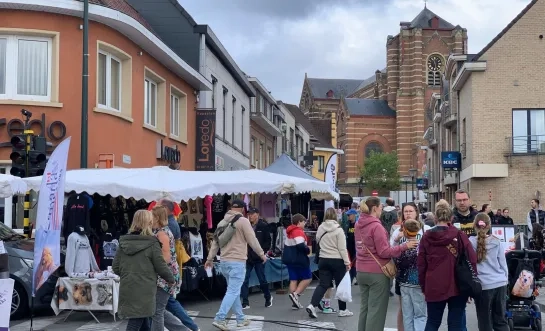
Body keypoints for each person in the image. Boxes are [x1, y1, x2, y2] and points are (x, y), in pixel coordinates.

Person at [356, 197, 417, 331]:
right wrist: (404, 246)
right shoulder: (376, 226)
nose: (381, 210)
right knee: (376, 311)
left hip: (361, 269)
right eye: (380, 207)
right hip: (377, 272)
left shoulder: (358, 223)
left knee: (365, 308)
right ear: (375, 208)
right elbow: (384, 252)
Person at [205, 200, 266, 330]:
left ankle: (240, 318)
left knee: (234, 291)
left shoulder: (222, 221)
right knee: (233, 291)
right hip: (237, 261)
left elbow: (215, 242)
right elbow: (252, 240)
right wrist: (261, 254)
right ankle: (220, 318)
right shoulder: (243, 221)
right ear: (243, 209)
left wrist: (209, 258)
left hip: (224, 261)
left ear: (231, 208)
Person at [417, 205, 477, 331]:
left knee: (432, 322)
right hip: (457, 283)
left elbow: (421, 264)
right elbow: (471, 259)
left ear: (435, 218)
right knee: (455, 323)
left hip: (434, 283)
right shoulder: (459, 235)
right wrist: (471, 284)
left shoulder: (426, 237)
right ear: (452, 218)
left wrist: (423, 286)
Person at [113, 210, 175, 331]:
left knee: (142, 320)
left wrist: (129, 275)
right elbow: (161, 266)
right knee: (136, 321)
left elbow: (115, 267)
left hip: (128, 286)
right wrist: (171, 279)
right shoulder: (152, 243)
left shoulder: (124, 242)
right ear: (149, 222)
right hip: (145, 288)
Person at [306, 208, 353, 318]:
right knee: (340, 285)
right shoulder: (339, 230)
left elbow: (318, 241)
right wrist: (347, 262)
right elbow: (342, 249)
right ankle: (342, 309)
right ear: (335, 216)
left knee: (323, 284)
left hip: (323, 259)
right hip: (337, 260)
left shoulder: (320, 228)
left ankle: (312, 305)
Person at [150, 206, 192, 331]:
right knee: (159, 310)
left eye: (151, 216)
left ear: (157, 218)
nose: (149, 219)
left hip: (164, 276)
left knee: (157, 310)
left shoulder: (162, 233)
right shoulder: (160, 231)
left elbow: (166, 258)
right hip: (165, 275)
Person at [391, 203, 430, 331]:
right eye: (405, 211)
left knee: (417, 312)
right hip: (403, 278)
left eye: (410, 211)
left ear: (416, 213)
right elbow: (390, 250)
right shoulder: (398, 231)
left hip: (419, 278)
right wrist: (397, 239)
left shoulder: (426, 229)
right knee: (405, 311)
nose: (407, 214)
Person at [469, 213, 509, 331]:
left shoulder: (470, 243)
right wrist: (505, 280)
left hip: (483, 286)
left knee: (484, 321)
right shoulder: (497, 241)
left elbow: (470, 266)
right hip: (500, 283)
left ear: (474, 225)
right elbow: (503, 264)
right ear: (489, 225)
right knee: (500, 320)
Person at [395, 219, 426, 331]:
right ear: (417, 231)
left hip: (403, 283)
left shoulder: (402, 247)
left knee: (407, 315)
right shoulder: (422, 246)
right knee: (420, 315)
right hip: (418, 284)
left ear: (405, 232)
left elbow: (397, 262)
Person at [241, 207, 273, 309]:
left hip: (259, 257)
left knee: (262, 279)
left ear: (257, 214)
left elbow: (268, 241)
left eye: (252, 214)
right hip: (247, 257)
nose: (250, 216)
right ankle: (245, 302)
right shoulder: (246, 226)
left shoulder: (263, 226)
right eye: (249, 214)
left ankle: (268, 297)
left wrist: (263, 252)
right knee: (244, 279)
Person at [282, 213, 312, 310]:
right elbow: (300, 245)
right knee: (307, 278)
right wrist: (307, 249)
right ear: (299, 222)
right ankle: (296, 294)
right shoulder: (298, 231)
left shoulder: (289, 231)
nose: (304, 224)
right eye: (303, 222)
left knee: (293, 279)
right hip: (299, 258)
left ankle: (295, 302)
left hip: (289, 258)